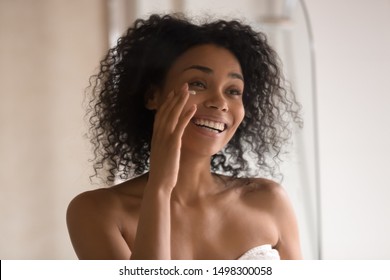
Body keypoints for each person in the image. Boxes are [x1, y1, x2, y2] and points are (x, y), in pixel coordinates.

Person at [66, 13, 302, 260]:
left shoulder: (269, 201)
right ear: (152, 96)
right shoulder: (96, 212)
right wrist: (160, 187)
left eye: (233, 90)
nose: (220, 102)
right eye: (198, 84)